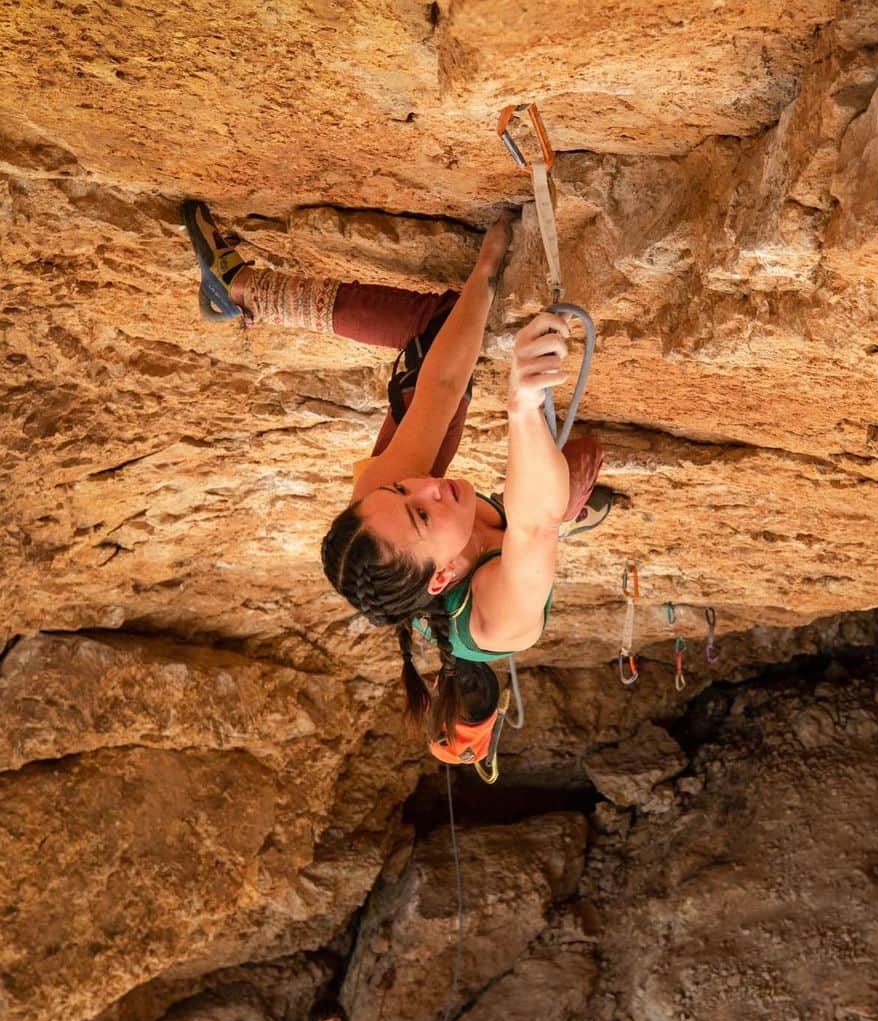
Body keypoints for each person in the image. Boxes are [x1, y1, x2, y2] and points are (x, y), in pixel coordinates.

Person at [182, 199, 609, 748]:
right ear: (440, 577)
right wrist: (521, 403)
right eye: (422, 510)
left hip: (496, 526)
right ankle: (574, 501)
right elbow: (533, 529)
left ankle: (243, 292)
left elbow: (443, 385)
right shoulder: (499, 621)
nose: (428, 484)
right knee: (575, 467)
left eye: (404, 488)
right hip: (524, 534)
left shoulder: (382, 502)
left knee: (444, 326)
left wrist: (488, 266)